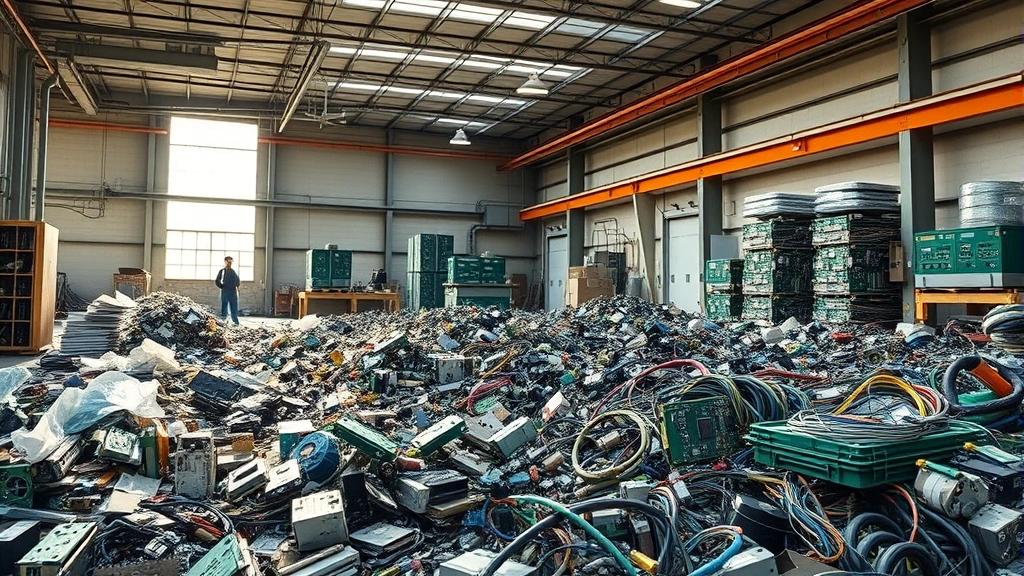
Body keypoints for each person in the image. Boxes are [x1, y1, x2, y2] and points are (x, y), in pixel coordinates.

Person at [215, 256, 241, 325]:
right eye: (229, 262)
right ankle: (224, 321)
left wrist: (238, 288)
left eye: (231, 262)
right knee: (225, 306)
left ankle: (235, 322)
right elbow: (217, 280)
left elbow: (237, 280)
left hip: (233, 291)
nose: (230, 264)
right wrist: (222, 286)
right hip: (225, 291)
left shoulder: (233, 272)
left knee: (234, 307)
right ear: (225, 262)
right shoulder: (222, 271)